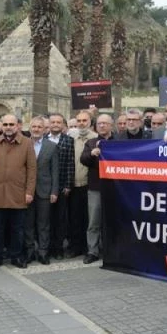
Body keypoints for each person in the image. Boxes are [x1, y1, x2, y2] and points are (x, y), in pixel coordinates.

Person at [0, 114, 36, 270]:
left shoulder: (27, 143)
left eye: (11, 124)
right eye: (5, 124)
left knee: (17, 229)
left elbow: (32, 170)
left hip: (18, 194)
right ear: (1, 126)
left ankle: (16, 256)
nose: (8, 127)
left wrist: (29, 191)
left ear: (17, 126)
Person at [80, 114, 115, 264]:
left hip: (116, 188)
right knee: (94, 222)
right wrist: (92, 153)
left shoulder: (119, 142)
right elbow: (83, 159)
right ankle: (92, 251)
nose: (102, 126)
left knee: (113, 221)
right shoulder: (91, 142)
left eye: (105, 123)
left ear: (111, 125)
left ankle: (111, 250)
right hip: (96, 188)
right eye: (99, 123)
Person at [25, 117, 59, 265]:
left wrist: (54, 191)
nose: (36, 129)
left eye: (39, 127)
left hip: (45, 191)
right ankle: (29, 251)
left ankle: (43, 252)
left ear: (44, 129)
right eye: (34, 127)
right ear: (30, 128)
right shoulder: (23, 144)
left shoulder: (51, 146)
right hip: (26, 191)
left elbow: (55, 171)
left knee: (43, 224)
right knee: (28, 223)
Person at [68, 112, 96, 259]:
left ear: (90, 122)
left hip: (89, 184)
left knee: (88, 218)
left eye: (84, 120)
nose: (81, 123)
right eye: (79, 120)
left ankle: (87, 247)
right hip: (73, 184)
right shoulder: (71, 138)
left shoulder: (95, 138)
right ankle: (75, 247)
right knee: (74, 217)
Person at [46, 113, 73, 260]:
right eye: (53, 122)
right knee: (47, 218)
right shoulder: (43, 139)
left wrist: (68, 184)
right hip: (45, 186)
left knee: (60, 218)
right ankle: (48, 247)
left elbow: (70, 163)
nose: (56, 124)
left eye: (58, 122)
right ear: (49, 124)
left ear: (62, 125)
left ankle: (58, 248)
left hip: (62, 186)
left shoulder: (69, 141)